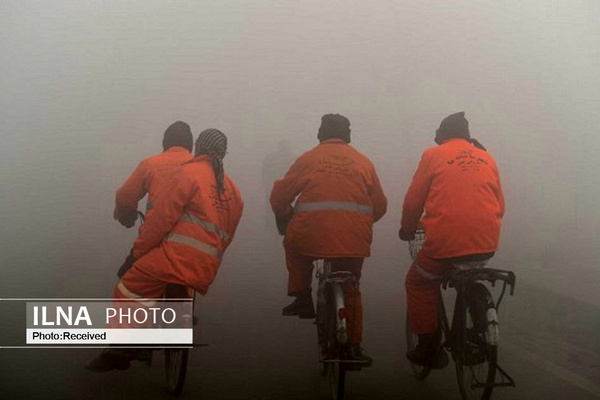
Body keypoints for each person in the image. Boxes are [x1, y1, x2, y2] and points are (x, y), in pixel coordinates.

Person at [87, 129, 244, 372]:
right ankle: (178, 318)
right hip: (207, 264)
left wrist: (134, 254)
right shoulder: (232, 189)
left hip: (174, 255)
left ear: (197, 147)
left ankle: (121, 348)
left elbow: (160, 218)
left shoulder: (183, 171)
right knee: (181, 277)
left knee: (128, 287)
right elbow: (229, 232)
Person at [270, 114, 387, 365]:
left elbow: (280, 196)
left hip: (310, 234)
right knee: (351, 286)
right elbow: (380, 205)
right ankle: (353, 346)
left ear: (320, 133)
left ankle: (302, 296)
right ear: (348, 135)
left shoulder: (308, 158)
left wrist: (284, 216)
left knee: (293, 244)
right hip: (353, 239)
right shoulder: (363, 162)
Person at [399, 112, 505, 367]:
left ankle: (428, 347)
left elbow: (414, 200)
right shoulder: (486, 156)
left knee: (418, 283)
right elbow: (500, 204)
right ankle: (473, 328)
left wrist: (407, 228)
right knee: (462, 276)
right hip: (485, 243)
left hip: (445, 244)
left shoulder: (433, 155)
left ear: (442, 136)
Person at [113, 120, 194, 228]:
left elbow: (125, 195)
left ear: (165, 142)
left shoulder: (150, 164)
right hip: (194, 237)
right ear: (190, 144)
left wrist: (126, 216)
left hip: (156, 234)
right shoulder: (202, 168)